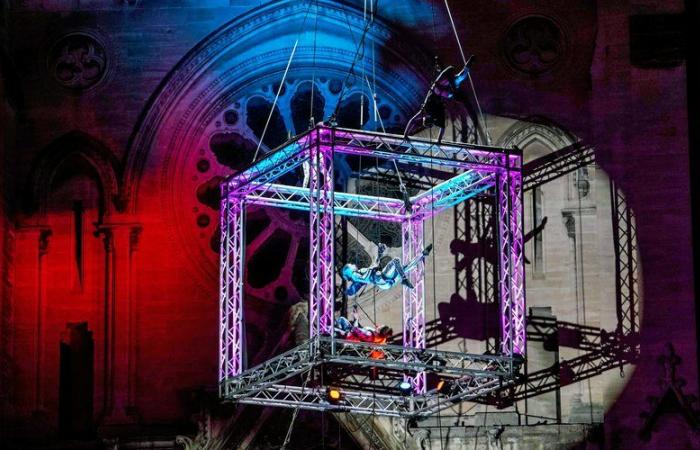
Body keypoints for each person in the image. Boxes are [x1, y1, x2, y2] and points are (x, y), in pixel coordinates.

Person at [403, 55, 475, 143]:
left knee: (455, 78)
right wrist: (439, 141)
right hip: (441, 91)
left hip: (439, 90)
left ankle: (451, 73)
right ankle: (466, 67)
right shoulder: (434, 115)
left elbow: (413, 121)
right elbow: (442, 127)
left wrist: (406, 134)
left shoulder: (426, 111)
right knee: (460, 77)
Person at [341, 242, 433, 297]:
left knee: (404, 268)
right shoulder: (355, 275)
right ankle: (404, 280)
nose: (353, 264)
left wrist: (379, 253)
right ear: (348, 270)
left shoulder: (358, 274)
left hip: (384, 282)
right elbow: (371, 271)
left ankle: (422, 255)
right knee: (396, 261)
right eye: (351, 265)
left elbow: (374, 266)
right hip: (381, 279)